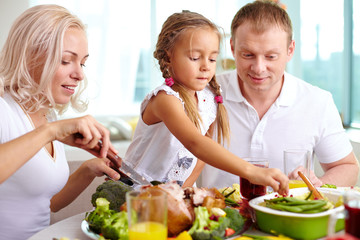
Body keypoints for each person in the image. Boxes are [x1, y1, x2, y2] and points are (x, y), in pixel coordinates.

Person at [197, 0, 359, 189]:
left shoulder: (318, 101)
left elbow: (347, 167)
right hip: (218, 216)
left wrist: (316, 187)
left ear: (290, 50)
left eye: (271, 56)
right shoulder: (203, 92)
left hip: (287, 217)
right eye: (248, 55)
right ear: (232, 48)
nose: (258, 68)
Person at [123, 10, 288, 193]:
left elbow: (200, 157)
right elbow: (195, 144)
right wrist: (251, 172)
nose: (205, 66)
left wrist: (182, 195)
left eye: (212, 59)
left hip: (168, 198)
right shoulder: (165, 99)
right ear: (168, 56)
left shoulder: (208, 100)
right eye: (195, 58)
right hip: (134, 194)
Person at [0, 5, 122, 240]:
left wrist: (88, 170)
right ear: (30, 56)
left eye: (82, 63)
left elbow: (47, 205)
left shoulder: (47, 116)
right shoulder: (5, 109)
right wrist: (51, 132)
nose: (79, 74)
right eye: (66, 61)